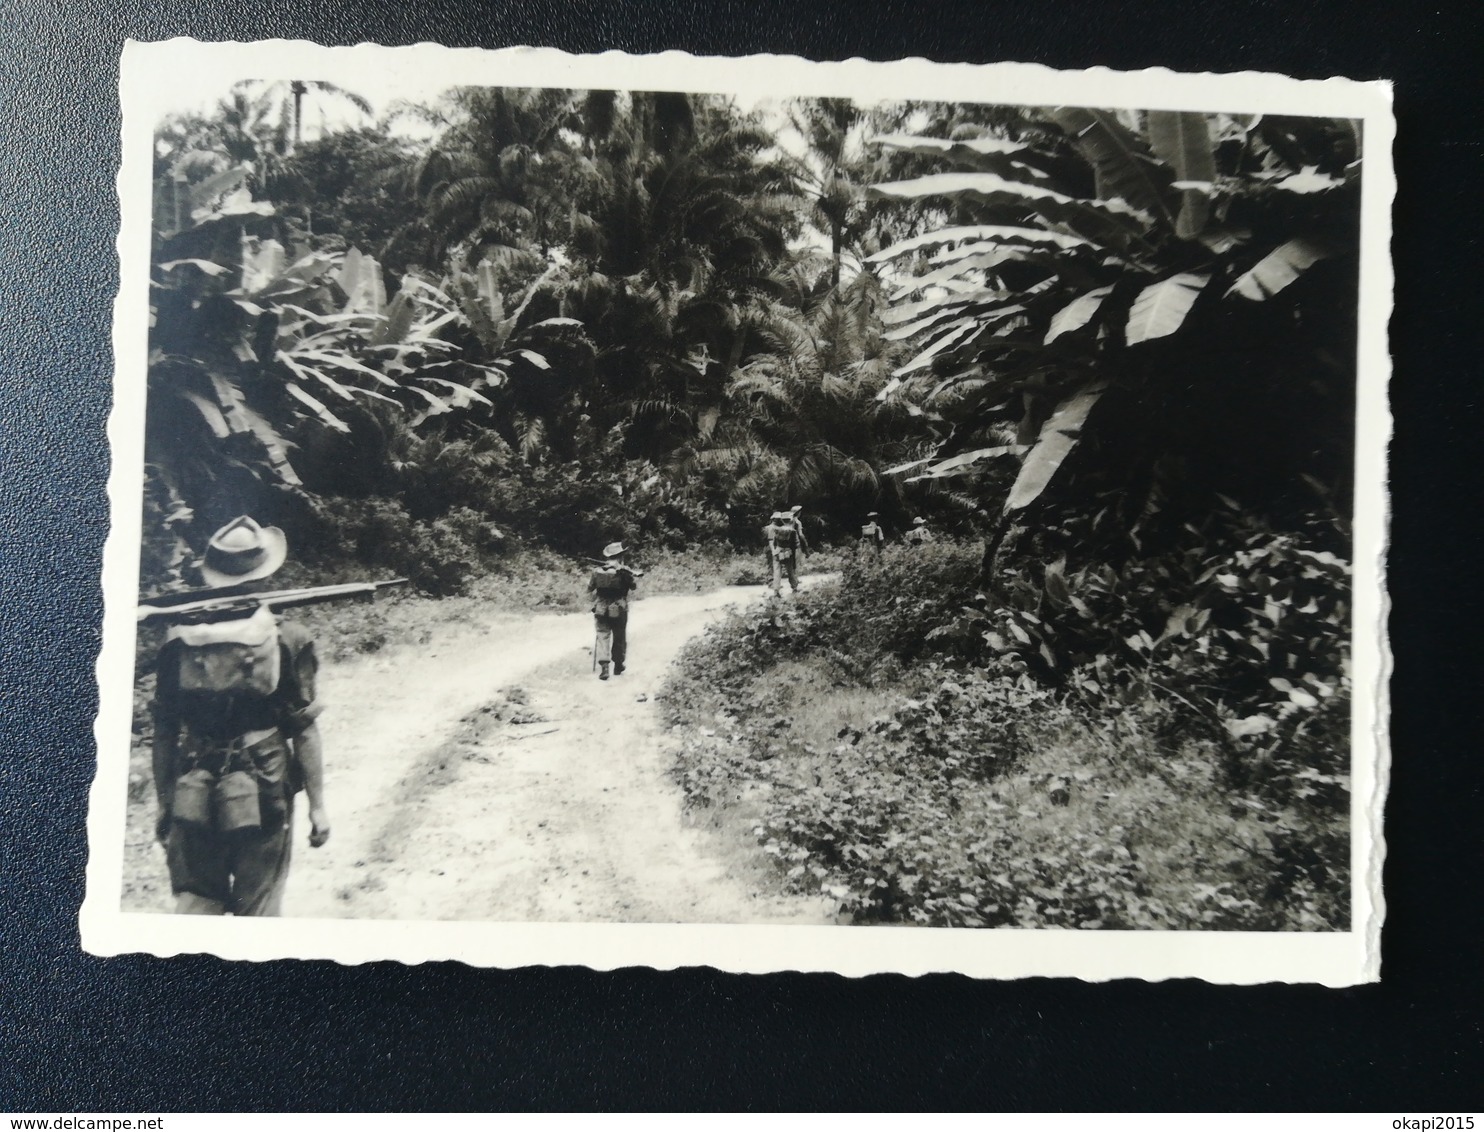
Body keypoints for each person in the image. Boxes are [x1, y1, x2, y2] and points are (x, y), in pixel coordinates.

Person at [151, 516, 330, 916]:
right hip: (263, 779)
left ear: (213, 572)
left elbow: (163, 732)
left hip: (192, 780)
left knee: (197, 902)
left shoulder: (177, 640)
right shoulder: (287, 636)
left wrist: (165, 804)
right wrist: (318, 806)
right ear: (263, 572)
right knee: (259, 904)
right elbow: (304, 730)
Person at [588, 541, 639, 680]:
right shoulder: (624, 571)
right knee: (619, 636)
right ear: (621, 555)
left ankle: (604, 666)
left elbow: (590, 588)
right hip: (619, 606)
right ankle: (618, 665)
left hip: (601, 607)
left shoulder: (597, 570)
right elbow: (633, 587)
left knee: (602, 635)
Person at [764, 510, 802, 596]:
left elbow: (773, 542)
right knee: (790, 570)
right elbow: (796, 543)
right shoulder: (792, 531)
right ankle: (794, 587)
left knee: (777, 571)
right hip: (788, 552)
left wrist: (775, 550)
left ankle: (776, 590)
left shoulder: (777, 530)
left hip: (778, 551)